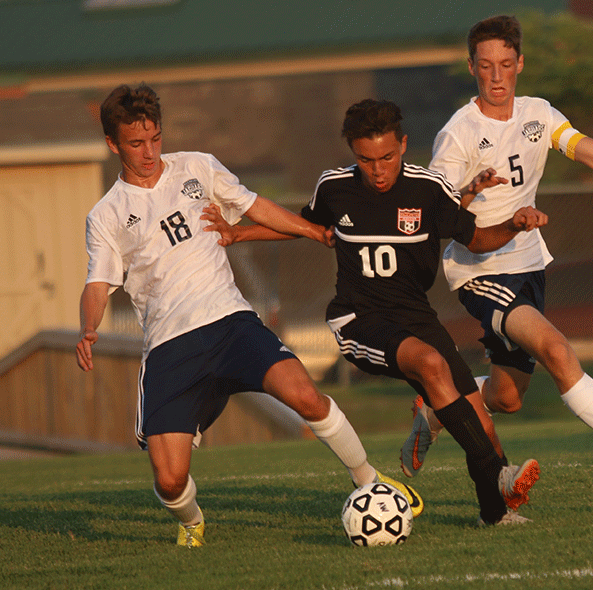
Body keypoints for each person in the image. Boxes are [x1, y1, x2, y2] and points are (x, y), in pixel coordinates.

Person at [75, 84, 421, 548]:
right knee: (170, 479)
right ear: (113, 145)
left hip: (231, 323)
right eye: (136, 144)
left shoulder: (198, 166)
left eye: (155, 138)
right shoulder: (106, 214)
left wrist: (313, 231)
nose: (149, 151)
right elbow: (98, 282)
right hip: (171, 348)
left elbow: (256, 207)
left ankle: (369, 480)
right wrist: (89, 328)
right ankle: (192, 523)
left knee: (306, 396)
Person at [204, 99, 544, 525]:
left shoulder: (428, 189)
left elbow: (475, 238)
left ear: (402, 144)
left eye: (387, 157)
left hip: (416, 318)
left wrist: (514, 223)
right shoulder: (334, 188)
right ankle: (499, 475)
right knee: (430, 362)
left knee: (481, 421)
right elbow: (300, 224)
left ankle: (494, 515)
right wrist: (240, 233)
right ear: (353, 153)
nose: (378, 170)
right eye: (366, 160)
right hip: (359, 319)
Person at [402, 14, 593, 484]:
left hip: (529, 266)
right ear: (471, 67)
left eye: (506, 64)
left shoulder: (540, 115)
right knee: (558, 352)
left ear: (520, 63)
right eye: (486, 66)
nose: (497, 76)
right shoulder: (457, 133)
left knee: (508, 397)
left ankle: (436, 410)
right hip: (480, 272)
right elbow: (440, 218)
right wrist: (473, 194)